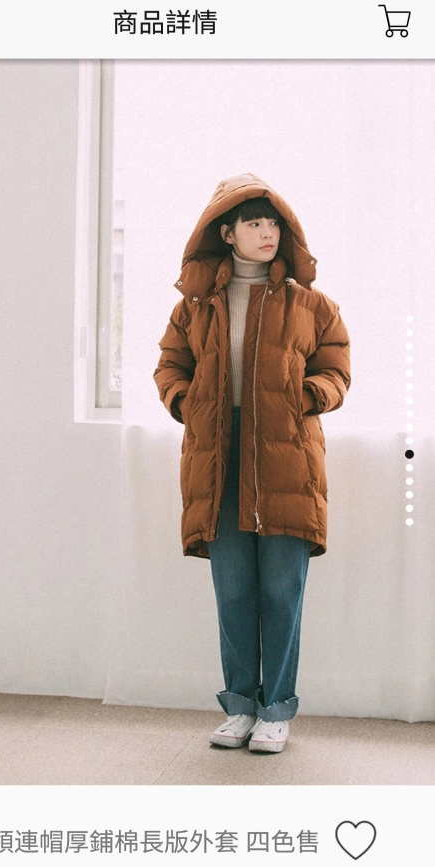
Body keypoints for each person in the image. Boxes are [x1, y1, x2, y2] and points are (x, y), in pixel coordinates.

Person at [154, 173, 351, 753]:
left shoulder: (311, 304)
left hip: (286, 455)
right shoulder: (195, 307)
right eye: (254, 223)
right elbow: (170, 366)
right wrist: (187, 404)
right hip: (219, 455)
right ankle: (240, 705)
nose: (267, 233)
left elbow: (337, 367)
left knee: (282, 591)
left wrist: (308, 396)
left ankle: (276, 710)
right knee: (234, 591)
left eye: (273, 224)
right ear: (227, 233)